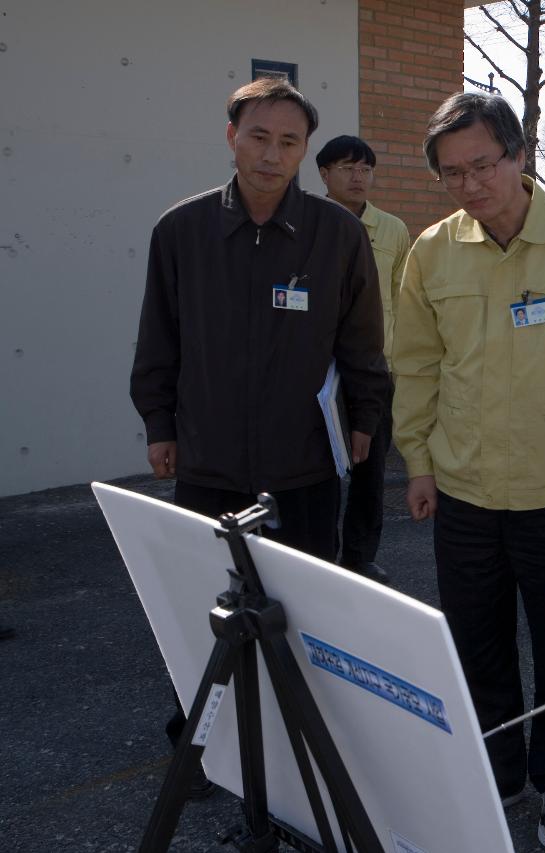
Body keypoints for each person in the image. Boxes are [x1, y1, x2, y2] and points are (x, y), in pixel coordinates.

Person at [130, 77, 388, 791]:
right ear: (231, 136)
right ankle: (202, 741)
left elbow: (363, 340)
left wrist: (364, 420)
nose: (272, 155)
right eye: (258, 137)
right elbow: (160, 337)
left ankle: (300, 747)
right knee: (205, 614)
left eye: (289, 142)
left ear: (306, 150)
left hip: (302, 465)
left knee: (302, 617)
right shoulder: (180, 231)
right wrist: (159, 422)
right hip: (207, 461)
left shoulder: (336, 234)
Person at [392, 92, 545, 851]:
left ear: (520, 156)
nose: (469, 185)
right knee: (475, 643)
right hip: (462, 491)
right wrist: (418, 462)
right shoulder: (431, 252)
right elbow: (417, 364)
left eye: (483, 164)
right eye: (451, 173)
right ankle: (495, 770)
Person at [316, 134, 411, 584]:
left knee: (369, 469)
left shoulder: (392, 230)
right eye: (347, 168)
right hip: (317, 371)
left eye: (365, 169)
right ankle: (317, 553)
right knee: (317, 469)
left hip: (376, 369)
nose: (358, 177)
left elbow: (401, 298)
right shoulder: (307, 223)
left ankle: (359, 557)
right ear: (324, 175)